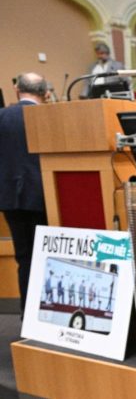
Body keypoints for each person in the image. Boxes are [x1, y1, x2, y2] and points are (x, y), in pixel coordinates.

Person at [0, 72, 48, 315]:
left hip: (9, 196)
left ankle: (27, 313)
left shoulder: (2, 116)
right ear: (46, 94)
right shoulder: (49, 116)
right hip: (43, 196)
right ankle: (45, 314)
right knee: (47, 255)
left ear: (17, 90)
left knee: (24, 257)